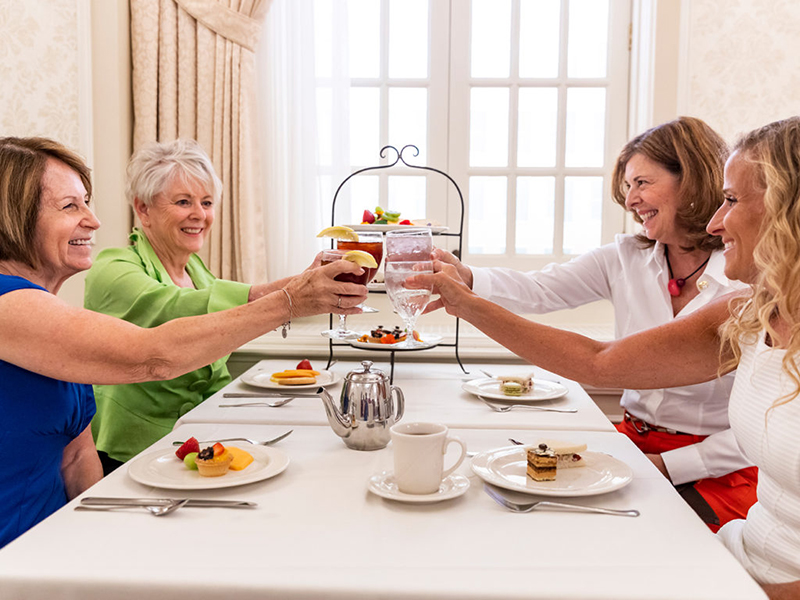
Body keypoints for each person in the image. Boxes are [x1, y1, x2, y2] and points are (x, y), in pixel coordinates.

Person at [409, 117, 800, 597]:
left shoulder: (741, 284)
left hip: (725, 495)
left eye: (733, 200)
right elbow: (596, 356)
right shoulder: (749, 310)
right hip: (729, 540)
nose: (719, 221)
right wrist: (467, 292)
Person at [0, 136, 366, 548]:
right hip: (19, 550)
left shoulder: (45, 310)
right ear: (13, 217)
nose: (94, 220)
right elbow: (155, 355)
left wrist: (98, 544)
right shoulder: (9, 305)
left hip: (55, 542)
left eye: (86, 202)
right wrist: (291, 299)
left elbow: (75, 457)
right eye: (71, 206)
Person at [84, 139, 329, 472]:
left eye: (207, 202)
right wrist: (296, 290)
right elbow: (178, 309)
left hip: (206, 435)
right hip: (136, 449)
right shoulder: (112, 268)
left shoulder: (196, 270)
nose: (199, 215)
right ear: (143, 208)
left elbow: (226, 326)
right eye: (184, 201)